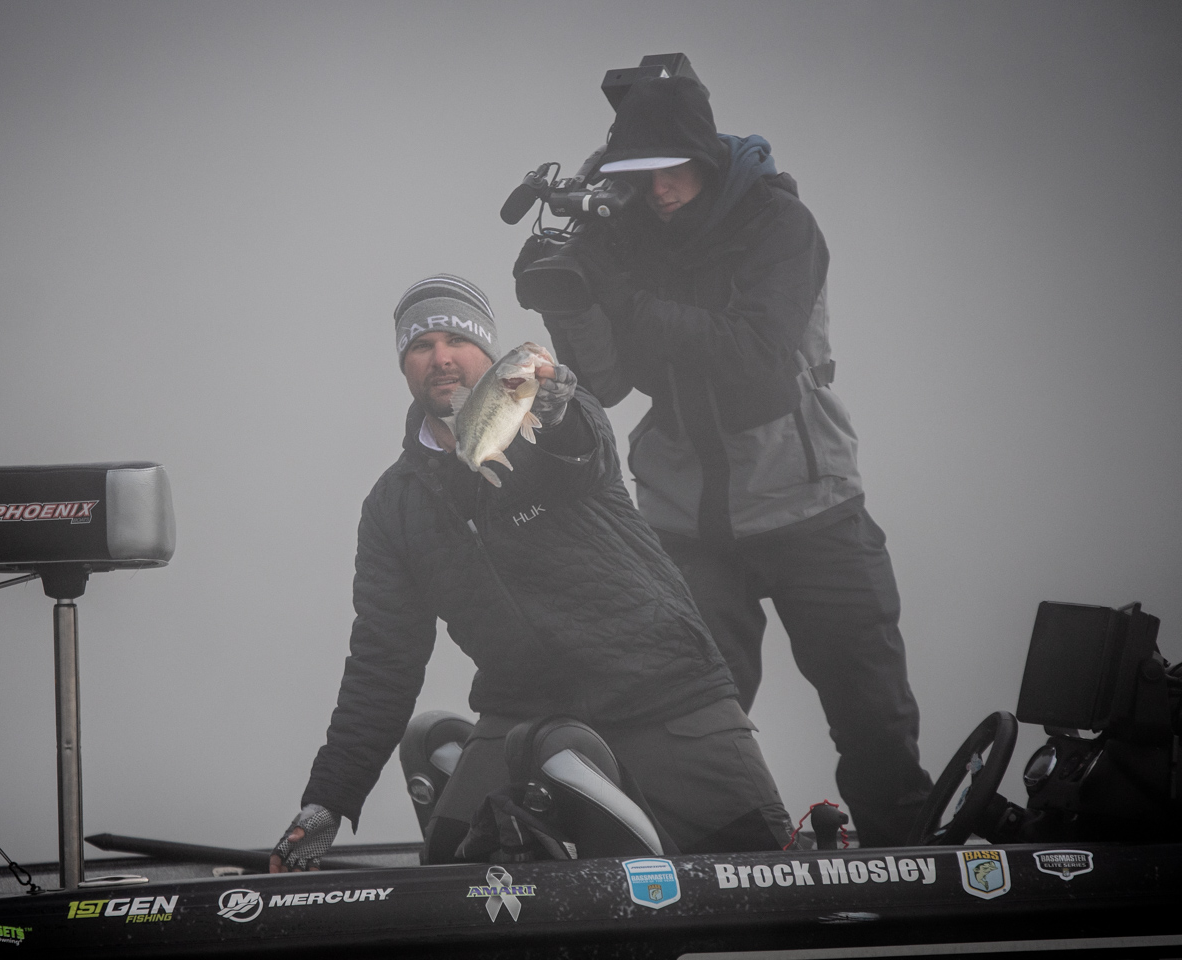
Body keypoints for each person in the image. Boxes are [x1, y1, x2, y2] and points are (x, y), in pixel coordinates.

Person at [519, 75, 933, 846]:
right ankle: (707, 859)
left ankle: (905, 852)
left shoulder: (779, 224)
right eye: (642, 174)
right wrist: (570, 302)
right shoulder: (621, 237)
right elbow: (605, 385)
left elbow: (756, 356)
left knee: (869, 705)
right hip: (686, 516)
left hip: (808, 500)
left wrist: (623, 297)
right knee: (685, 713)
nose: (660, 189)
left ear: (707, 157)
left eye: (674, 168)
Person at [270, 273, 792, 872]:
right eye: (422, 345)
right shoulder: (392, 507)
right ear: (404, 365)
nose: (441, 358)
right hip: (523, 713)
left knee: (765, 875)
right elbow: (382, 662)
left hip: (665, 696)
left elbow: (583, 451)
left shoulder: (560, 416)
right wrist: (329, 800)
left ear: (490, 353)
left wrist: (558, 409)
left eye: (458, 340)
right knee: (450, 876)